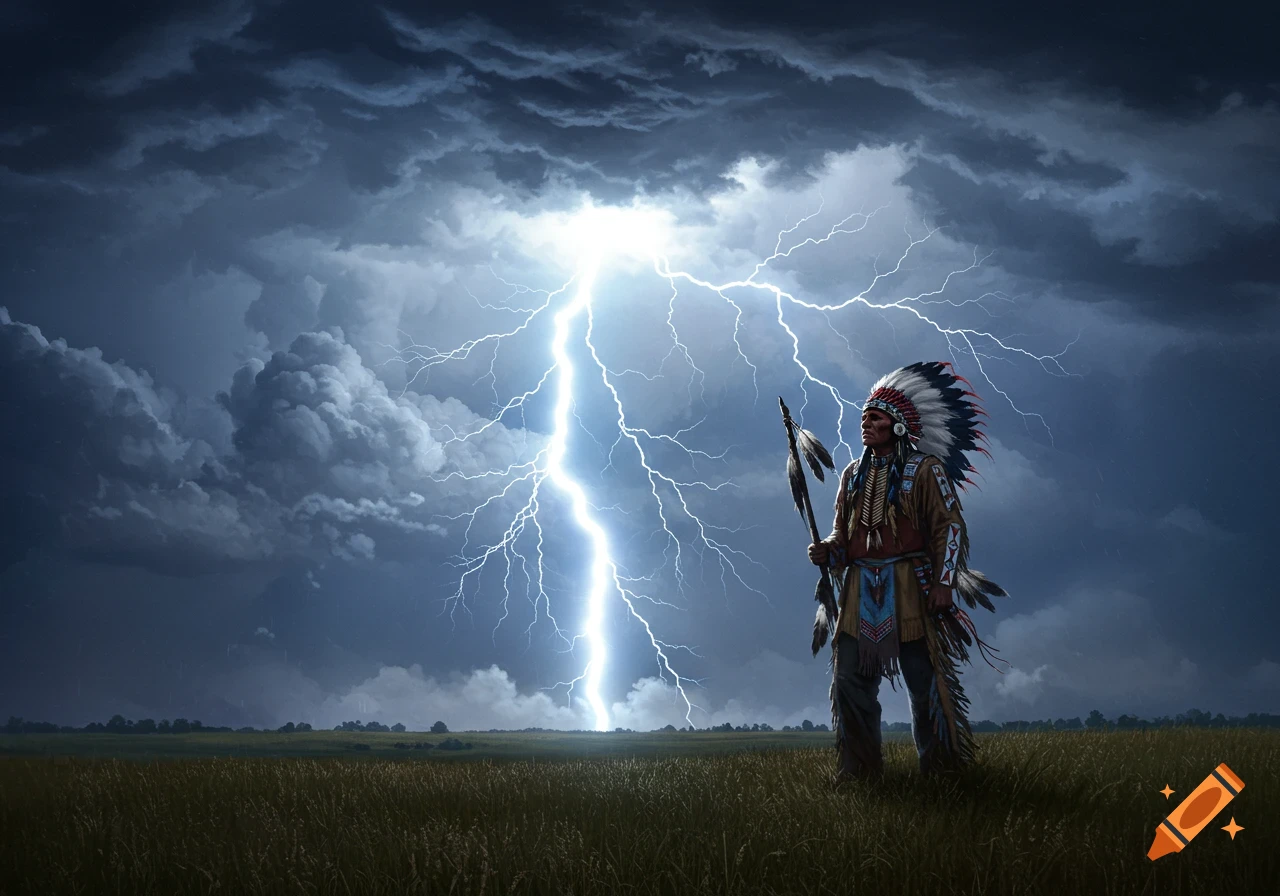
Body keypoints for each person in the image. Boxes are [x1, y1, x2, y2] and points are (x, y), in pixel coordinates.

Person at [806, 361, 1007, 783]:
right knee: (849, 682)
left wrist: (943, 583)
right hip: (861, 590)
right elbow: (843, 535)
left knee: (925, 681)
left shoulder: (927, 469)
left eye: (875, 417)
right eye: (864, 417)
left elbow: (948, 526)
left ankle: (941, 775)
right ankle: (859, 775)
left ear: (898, 426)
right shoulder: (853, 474)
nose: (866, 423)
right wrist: (828, 550)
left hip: (910, 588)